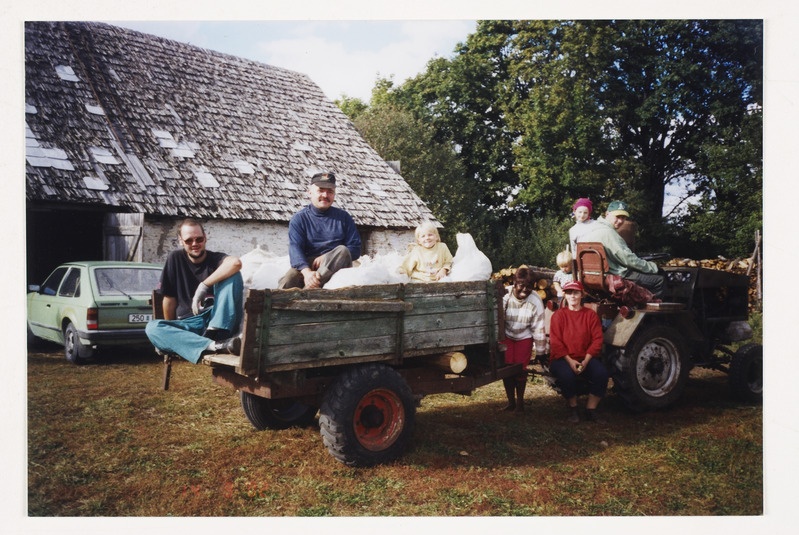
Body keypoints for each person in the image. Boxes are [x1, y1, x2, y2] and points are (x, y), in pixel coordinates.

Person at [146, 218, 244, 364]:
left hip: (217, 319)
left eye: (199, 239)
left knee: (233, 273)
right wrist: (172, 335)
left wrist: (203, 286)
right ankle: (215, 346)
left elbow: (236, 263)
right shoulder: (175, 258)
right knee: (152, 327)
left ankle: (213, 333)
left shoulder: (215, 258)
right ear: (180, 241)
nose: (195, 244)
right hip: (190, 325)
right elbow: (169, 300)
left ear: (205, 238)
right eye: (188, 240)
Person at [278, 172, 362, 289]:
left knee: (342, 250)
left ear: (334, 194)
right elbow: (295, 249)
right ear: (310, 192)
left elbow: (355, 248)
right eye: (321, 190)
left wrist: (326, 256)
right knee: (289, 279)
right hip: (308, 265)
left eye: (330, 191)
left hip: (336, 265)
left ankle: (309, 290)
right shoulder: (299, 219)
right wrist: (307, 273)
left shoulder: (344, 218)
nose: (325, 195)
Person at [577, 200, 664, 298]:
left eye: (623, 218)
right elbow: (628, 259)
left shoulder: (591, 228)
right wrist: (653, 268)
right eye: (617, 217)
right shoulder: (609, 233)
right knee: (659, 280)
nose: (620, 221)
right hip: (612, 276)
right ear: (607, 213)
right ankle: (647, 308)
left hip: (590, 277)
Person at [548, 280, 608, 423]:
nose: (572, 296)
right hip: (563, 358)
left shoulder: (590, 315)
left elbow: (597, 340)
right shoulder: (558, 315)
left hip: (585, 357)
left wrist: (586, 361)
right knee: (566, 376)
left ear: (582, 294)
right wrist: (570, 361)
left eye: (576, 293)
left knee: (601, 374)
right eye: (569, 293)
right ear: (565, 295)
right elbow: (556, 342)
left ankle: (590, 409)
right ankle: (573, 408)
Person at [500, 265, 547, 413]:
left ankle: (520, 404)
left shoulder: (535, 301)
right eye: (521, 286)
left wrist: (540, 352)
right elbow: (497, 320)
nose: (524, 290)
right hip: (507, 335)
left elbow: (538, 328)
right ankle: (510, 402)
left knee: (520, 371)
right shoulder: (505, 296)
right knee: (506, 369)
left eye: (529, 287)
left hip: (524, 336)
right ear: (514, 283)